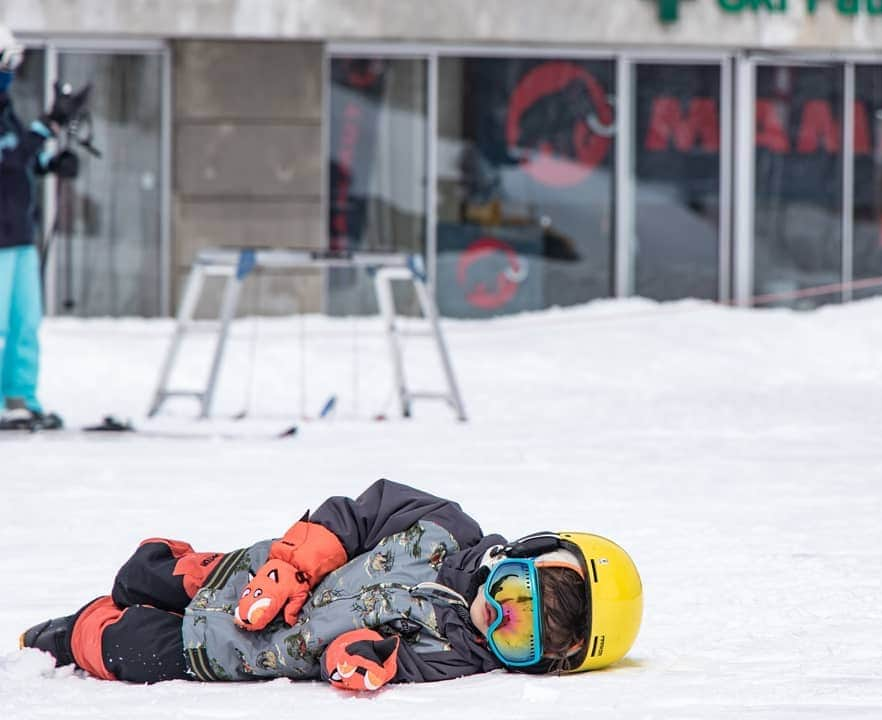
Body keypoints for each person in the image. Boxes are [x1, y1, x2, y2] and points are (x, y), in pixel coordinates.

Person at [19, 479, 643, 690]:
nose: (497, 620)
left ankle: (65, 635)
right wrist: (292, 565)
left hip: (238, 653)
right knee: (145, 574)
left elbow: (393, 664)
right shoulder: (445, 526)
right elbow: (356, 515)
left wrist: (359, 659)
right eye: (513, 595)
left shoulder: (458, 659)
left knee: (120, 647)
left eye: (521, 639)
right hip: (252, 578)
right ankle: (145, 579)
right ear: (523, 552)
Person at [0, 25, 81, 431]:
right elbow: (8, 156)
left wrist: (51, 165)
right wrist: (45, 127)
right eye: (6, 62)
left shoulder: (6, 111)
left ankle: (20, 398)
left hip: (18, 237)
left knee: (24, 324)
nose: (10, 72)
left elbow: (18, 165)